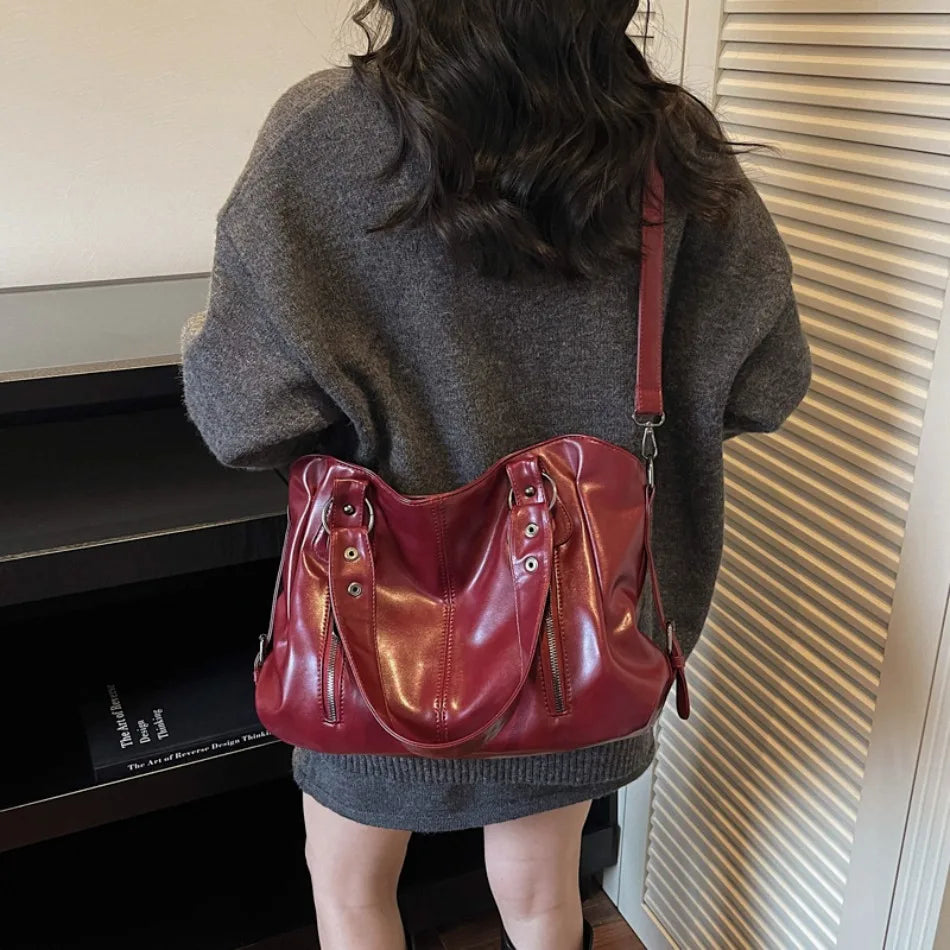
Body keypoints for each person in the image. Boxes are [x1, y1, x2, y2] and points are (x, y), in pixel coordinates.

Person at [180, 2, 812, 948]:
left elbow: (248, 420)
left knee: (350, 893)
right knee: (544, 891)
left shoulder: (322, 134)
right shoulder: (669, 143)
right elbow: (766, 386)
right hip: (582, 642)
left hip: (367, 635)